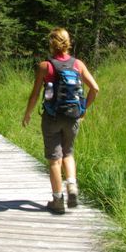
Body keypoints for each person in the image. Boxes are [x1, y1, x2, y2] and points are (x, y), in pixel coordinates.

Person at [22, 28, 99, 214]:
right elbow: (95, 88)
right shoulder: (78, 64)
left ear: (51, 43)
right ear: (68, 42)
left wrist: (28, 114)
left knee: (54, 160)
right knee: (68, 154)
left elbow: (34, 95)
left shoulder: (45, 66)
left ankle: (57, 201)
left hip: (52, 118)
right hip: (72, 117)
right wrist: (82, 109)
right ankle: (71, 186)